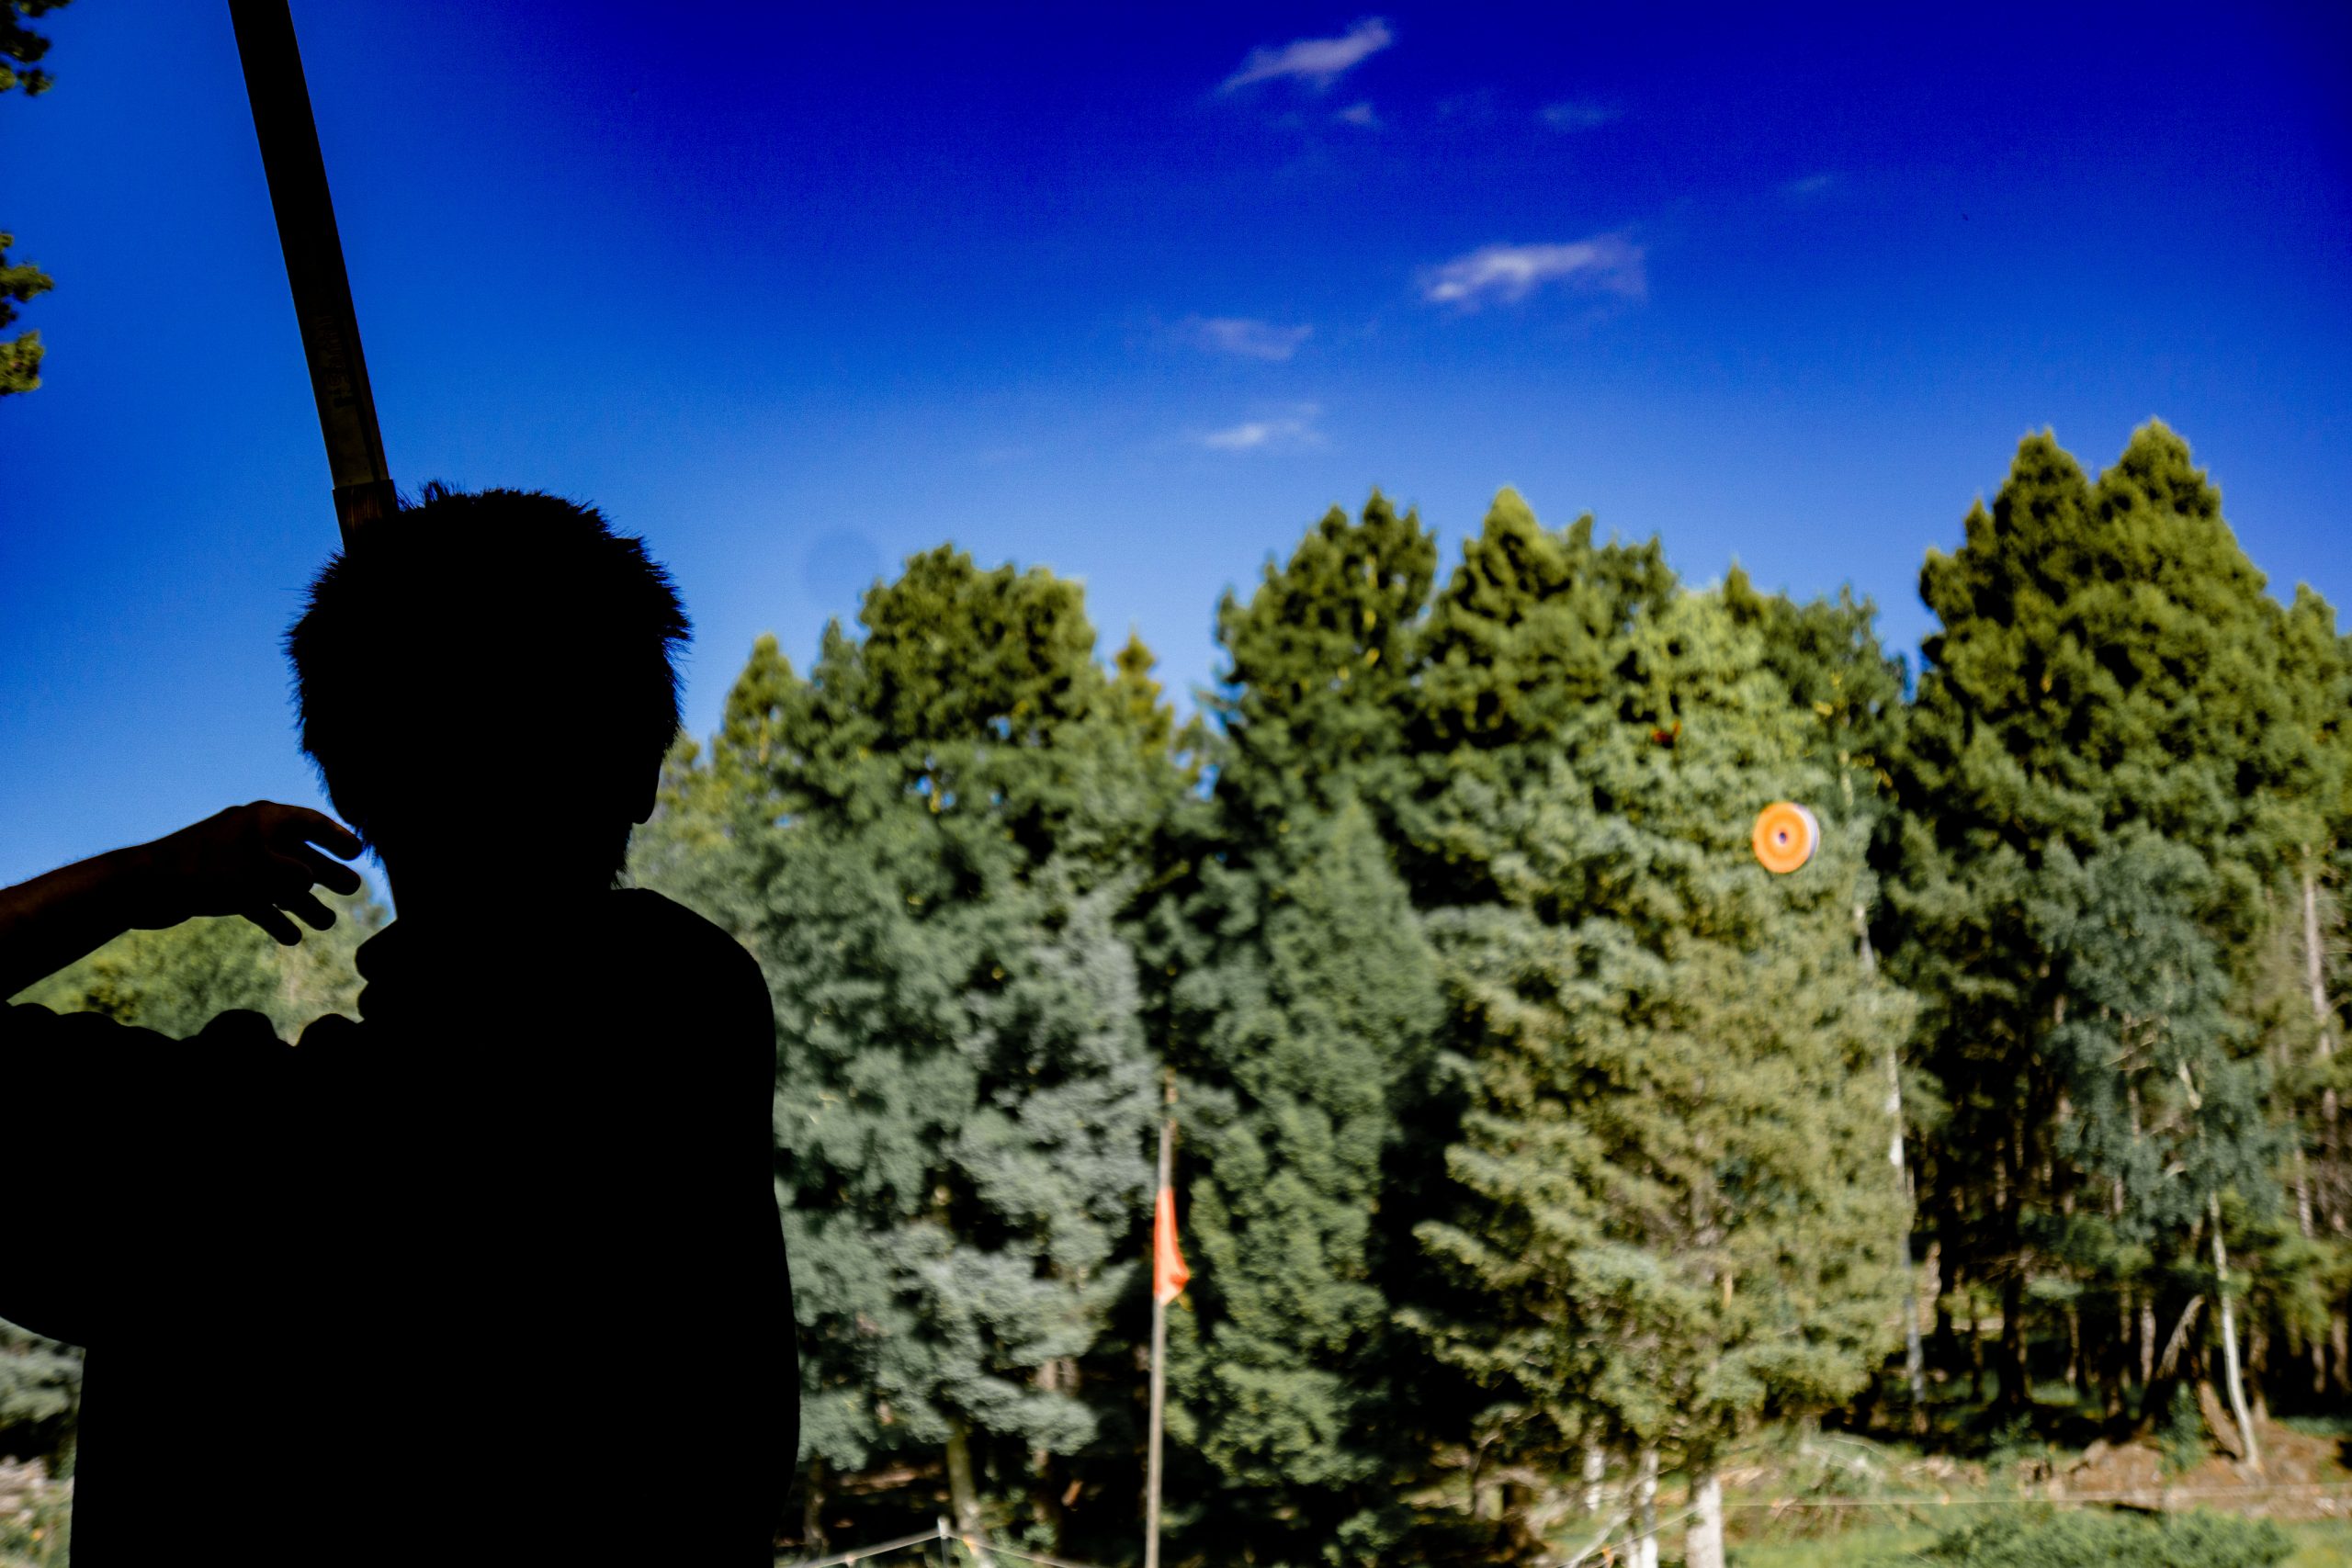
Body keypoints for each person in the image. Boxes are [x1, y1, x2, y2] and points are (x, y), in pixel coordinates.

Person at [0, 487, 797, 1564]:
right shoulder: (697, 1031)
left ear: (356, 792)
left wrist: (150, 879)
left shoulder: (218, 1164)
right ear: (645, 775)